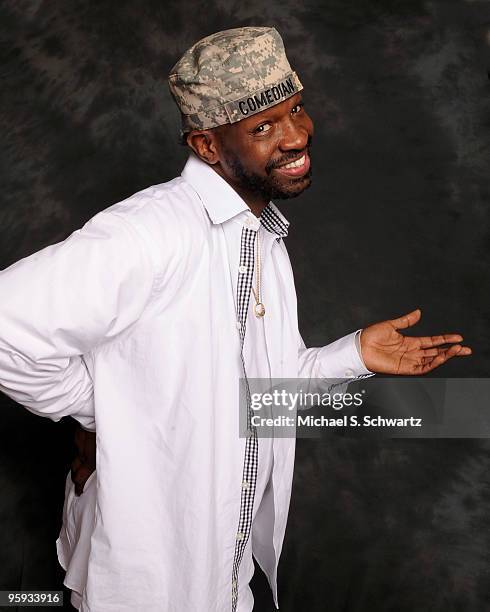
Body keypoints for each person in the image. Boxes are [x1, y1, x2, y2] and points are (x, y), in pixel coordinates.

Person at [0, 27, 471, 612]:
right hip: (145, 587)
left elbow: (256, 397)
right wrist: (107, 412)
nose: (297, 135)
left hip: (224, 582)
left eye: (295, 109)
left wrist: (353, 355)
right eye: (263, 127)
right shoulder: (151, 232)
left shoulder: (260, 241)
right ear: (207, 146)